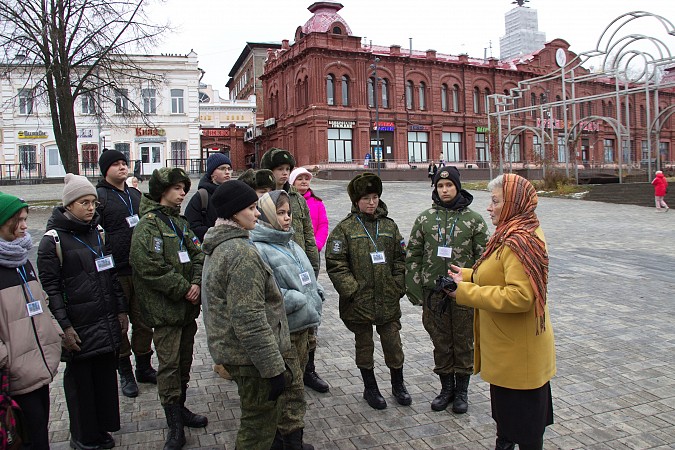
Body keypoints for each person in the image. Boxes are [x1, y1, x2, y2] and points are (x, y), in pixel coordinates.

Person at [446, 173, 556, 450]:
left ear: (513, 203)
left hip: (520, 358)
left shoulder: (520, 241)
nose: (489, 207)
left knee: (526, 433)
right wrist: (469, 275)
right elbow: (500, 274)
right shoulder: (513, 231)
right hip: (511, 354)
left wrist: (464, 292)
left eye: (495, 201)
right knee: (508, 426)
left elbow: (521, 296)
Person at [38, 174, 128, 450]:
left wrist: (120, 310)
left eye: (93, 202)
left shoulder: (98, 233)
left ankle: (101, 428)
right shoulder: (52, 241)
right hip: (78, 325)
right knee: (81, 386)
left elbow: (111, 275)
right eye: (83, 203)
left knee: (103, 380)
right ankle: (83, 435)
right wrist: (64, 327)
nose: (91, 208)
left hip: (104, 319)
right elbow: (51, 290)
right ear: (69, 205)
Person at [200, 180, 292, 450]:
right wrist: (273, 368)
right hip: (250, 358)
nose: (258, 214)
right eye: (252, 208)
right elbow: (249, 318)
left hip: (238, 352)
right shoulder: (240, 253)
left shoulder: (224, 244)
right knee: (257, 427)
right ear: (234, 212)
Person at [130, 168, 207, 450]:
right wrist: (183, 287)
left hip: (187, 311)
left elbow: (199, 253)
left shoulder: (181, 223)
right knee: (170, 367)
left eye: (184, 188)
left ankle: (181, 408)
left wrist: (197, 282)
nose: (182, 193)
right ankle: (173, 424)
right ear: (162, 191)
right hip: (166, 312)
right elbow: (148, 266)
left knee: (184, 363)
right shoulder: (149, 225)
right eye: (177, 188)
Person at [405, 166, 489, 414]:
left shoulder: (474, 220)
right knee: (441, 342)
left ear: (457, 186)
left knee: (463, 342)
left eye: (449, 185)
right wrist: (417, 291)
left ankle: (461, 391)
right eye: (440, 186)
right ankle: (446, 389)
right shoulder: (424, 219)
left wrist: (477, 289)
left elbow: (484, 259)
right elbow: (413, 256)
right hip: (434, 294)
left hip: (465, 294)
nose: (444, 190)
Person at [325, 173, 410, 410]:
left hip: (387, 298)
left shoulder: (389, 226)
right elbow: (335, 262)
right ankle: (370, 387)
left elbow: (401, 259)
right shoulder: (345, 229)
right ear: (356, 200)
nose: (371, 202)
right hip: (358, 301)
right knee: (364, 345)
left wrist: (397, 285)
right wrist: (352, 290)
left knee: (393, 342)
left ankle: (398, 384)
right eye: (365, 198)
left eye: (375, 197)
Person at [250, 190, 322, 449]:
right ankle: (291, 442)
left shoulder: (290, 242)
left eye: (289, 213)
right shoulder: (259, 249)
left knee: (297, 380)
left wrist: (316, 292)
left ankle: (284, 439)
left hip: (303, 327)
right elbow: (266, 294)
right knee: (293, 390)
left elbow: (305, 276)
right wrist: (297, 299)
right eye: (280, 213)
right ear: (268, 214)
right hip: (285, 331)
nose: (287, 218)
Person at [260, 148, 328, 393]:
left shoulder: (298, 200)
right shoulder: (261, 200)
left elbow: (308, 234)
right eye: (280, 170)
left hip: (300, 269)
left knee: (310, 325)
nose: (284, 174)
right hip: (277, 273)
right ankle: (282, 375)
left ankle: (308, 370)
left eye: (287, 170)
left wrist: (313, 267)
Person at [0, 193, 62, 450]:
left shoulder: (22, 261)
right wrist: (6, 360)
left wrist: (55, 333)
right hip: (13, 374)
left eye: (26, 220)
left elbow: (41, 304)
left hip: (38, 366)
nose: (25, 226)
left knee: (39, 435)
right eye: (18, 221)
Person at [96, 149, 156, 399]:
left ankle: (143, 366)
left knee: (143, 321)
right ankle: (125, 371)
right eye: (116, 164)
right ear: (105, 169)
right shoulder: (99, 197)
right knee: (120, 323)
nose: (122, 167)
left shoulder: (134, 194)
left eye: (124, 163)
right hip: (115, 271)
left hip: (139, 268)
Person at [184, 153, 233, 241]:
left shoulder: (236, 193)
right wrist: (218, 234)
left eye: (229, 169)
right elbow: (191, 226)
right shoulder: (202, 196)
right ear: (212, 173)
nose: (227, 172)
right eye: (222, 168)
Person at [290, 167, 329, 252]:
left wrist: (317, 243)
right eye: (300, 179)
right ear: (292, 182)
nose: (304, 181)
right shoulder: (287, 200)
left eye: (307, 179)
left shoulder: (317, 202)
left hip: (312, 249)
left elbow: (323, 225)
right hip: (293, 248)